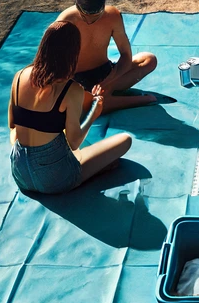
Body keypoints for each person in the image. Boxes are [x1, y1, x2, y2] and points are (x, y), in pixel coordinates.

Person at [9, 21, 133, 194]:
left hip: (19, 174)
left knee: (56, 138)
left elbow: (12, 126)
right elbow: (74, 143)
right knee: (124, 140)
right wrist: (93, 114)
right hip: (55, 179)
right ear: (73, 54)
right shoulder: (70, 89)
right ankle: (88, 172)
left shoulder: (19, 76)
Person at [54, 0, 164, 114]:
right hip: (77, 80)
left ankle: (105, 96)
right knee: (86, 104)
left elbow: (126, 55)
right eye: (84, 17)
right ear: (76, 5)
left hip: (106, 73)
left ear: (104, 5)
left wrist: (107, 81)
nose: (89, 22)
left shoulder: (112, 15)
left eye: (96, 17)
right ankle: (140, 100)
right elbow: (51, 63)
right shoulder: (64, 21)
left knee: (149, 59)